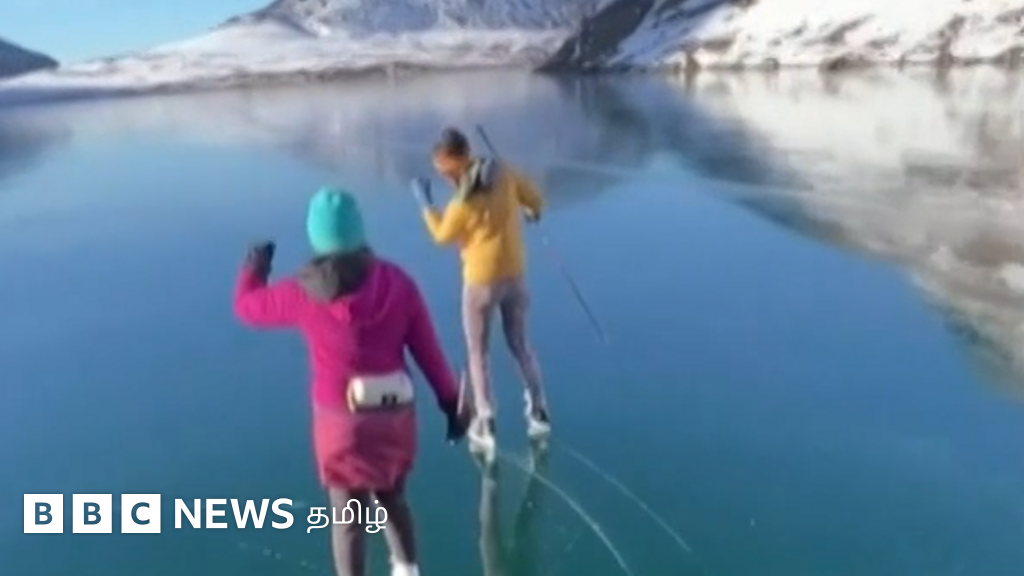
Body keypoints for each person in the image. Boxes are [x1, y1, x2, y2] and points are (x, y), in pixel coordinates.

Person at [233, 186, 467, 576]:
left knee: (348, 519)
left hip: (339, 425)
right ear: (359, 231)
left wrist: (254, 268)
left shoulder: (302, 292)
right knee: (392, 497)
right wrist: (451, 404)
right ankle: (407, 568)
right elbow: (429, 354)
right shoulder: (397, 283)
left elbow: (247, 308)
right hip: (393, 416)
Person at [410, 127, 551, 455]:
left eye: (443, 170)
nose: (443, 177)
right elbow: (535, 200)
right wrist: (531, 209)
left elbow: (442, 236)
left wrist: (426, 204)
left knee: (478, 352)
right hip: (514, 276)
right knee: (520, 345)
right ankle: (539, 409)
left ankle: (485, 420)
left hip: (481, 283)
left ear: (454, 162)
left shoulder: (462, 203)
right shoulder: (504, 172)